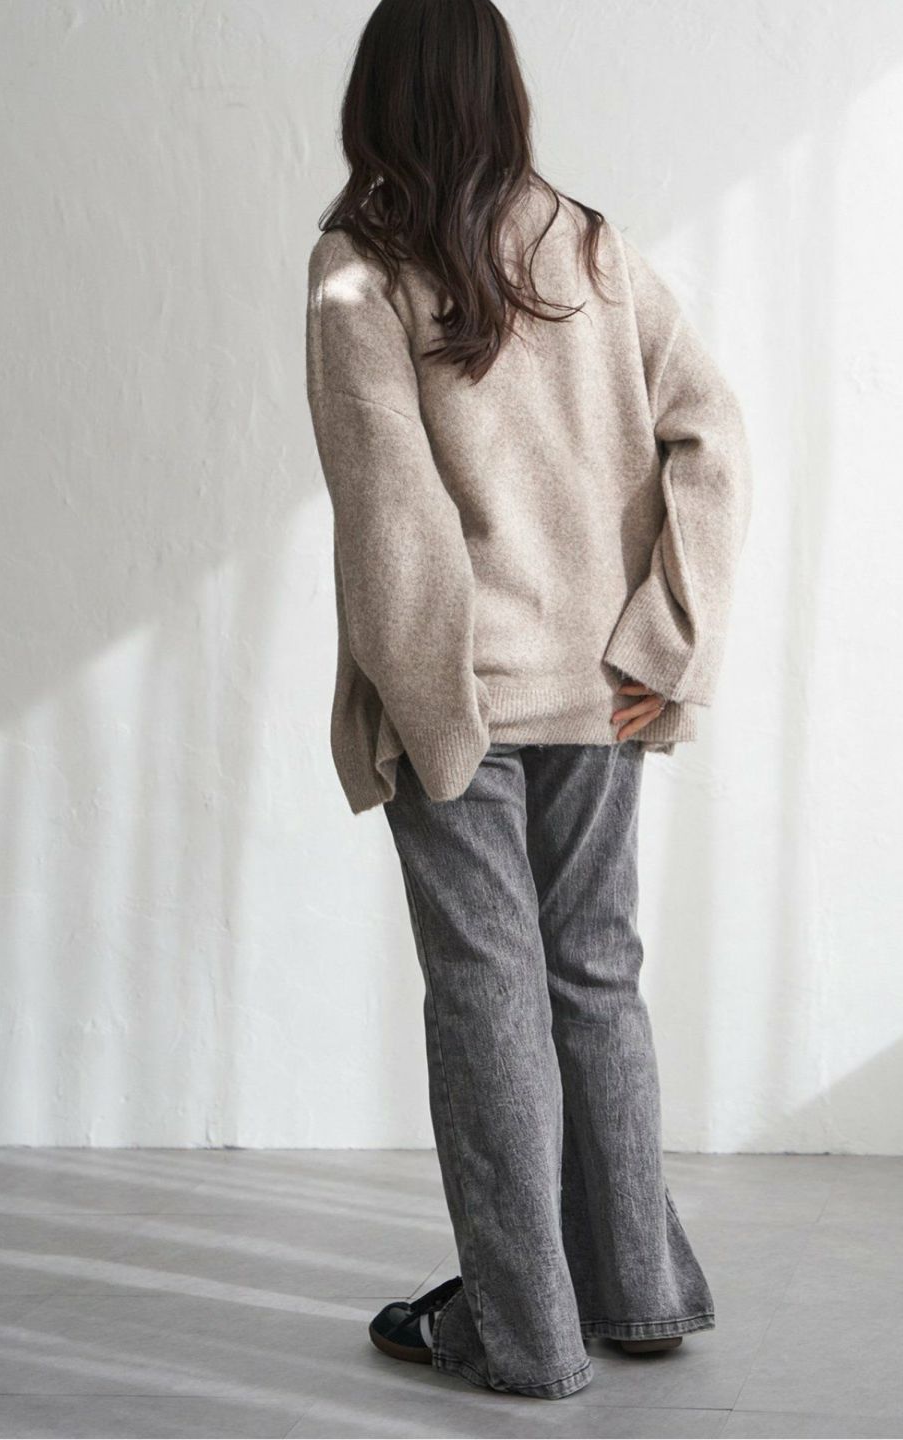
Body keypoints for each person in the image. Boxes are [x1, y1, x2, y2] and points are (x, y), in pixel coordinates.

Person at [304, 0, 752, 1403]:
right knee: (595, 978)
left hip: (462, 696)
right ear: (503, 92)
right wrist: (660, 647)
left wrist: (433, 714)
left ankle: (525, 1332)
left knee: (488, 999)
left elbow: (391, 505)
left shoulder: (362, 269)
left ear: (379, 97)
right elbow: (714, 435)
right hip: (597, 689)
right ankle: (635, 1291)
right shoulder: (595, 247)